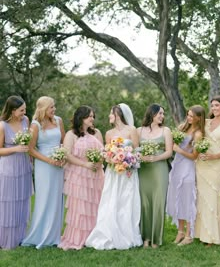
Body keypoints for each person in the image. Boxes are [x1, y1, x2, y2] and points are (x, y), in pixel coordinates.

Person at [86, 103, 142, 250]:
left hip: (128, 172)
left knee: (127, 200)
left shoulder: (132, 130)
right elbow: (107, 153)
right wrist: (112, 159)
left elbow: (137, 152)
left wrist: (127, 162)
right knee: (111, 201)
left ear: (118, 114)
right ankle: (109, 232)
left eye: (111, 114)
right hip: (113, 172)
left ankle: (128, 234)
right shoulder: (109, 134)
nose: (109, 116)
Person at [58, 106, 104, 250]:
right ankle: (78, 238)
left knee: (95, 205)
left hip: (96, 175)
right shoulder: (71, 135)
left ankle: (94, 236)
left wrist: (98, 162)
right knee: (79, 207)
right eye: (89, 116)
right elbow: (67, 155)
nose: (92, 119)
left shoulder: (97, 133)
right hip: (79, 174)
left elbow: (103, 152)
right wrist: (85, 164)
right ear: (81, 118)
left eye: (93, 116)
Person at [21, 96, 65, 249]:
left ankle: (54, 235)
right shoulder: (35, 125)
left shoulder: (58, 121)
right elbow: (31, 150)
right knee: (44, 198)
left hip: (59, 165)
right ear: (43, 109)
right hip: (44, 166)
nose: (54, 110)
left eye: (54, 106)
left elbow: (63, 142)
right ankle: (40, 234)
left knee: (56, 198)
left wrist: (62, 157)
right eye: (51, 107)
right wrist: (49, 160)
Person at [195, 95, 220, 246]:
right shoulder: (205, 122)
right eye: (212, 106)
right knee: (202, 199)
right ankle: (200, 233)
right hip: (201, 165)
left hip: (217, 165)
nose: (214, 108)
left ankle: (212, 237)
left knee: (212, 199)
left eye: (217, 105)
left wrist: (213, 156)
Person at [166, 105, 206, 246]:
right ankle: (180, 232)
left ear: (198, 118)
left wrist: (179, 150)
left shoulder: (198, 134)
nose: (188, 118)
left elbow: (194, 156)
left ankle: (189, 234)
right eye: (188, 115)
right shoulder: (182, 127)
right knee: (178, 198)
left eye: (191, 116)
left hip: (188, 168)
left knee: (187, 200)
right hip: (177, 166)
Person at [137, 103, 172, 248]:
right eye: (160, 114)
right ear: (152, 114)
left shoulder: (166, 130)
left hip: (159, 170)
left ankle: (156, 239)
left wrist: (155, 158)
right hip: (143, 171)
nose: (162, 116)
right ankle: (145, 238)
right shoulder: (139, 130)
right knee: (144, 203)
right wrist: (141, 157)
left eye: (163, 114)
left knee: (158, 202)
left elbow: (169, 152)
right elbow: (134, 149)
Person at [0, 96, 33, 249]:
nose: (24, 112)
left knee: (22, 201)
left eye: (24, 109)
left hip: (24, 166)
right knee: (9, 203)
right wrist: (15, 148)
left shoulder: (25, 120)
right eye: (21, 110)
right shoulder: (2, 126)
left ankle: (21, 237)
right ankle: (6, 240)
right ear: (12, 111)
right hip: (9, 168)